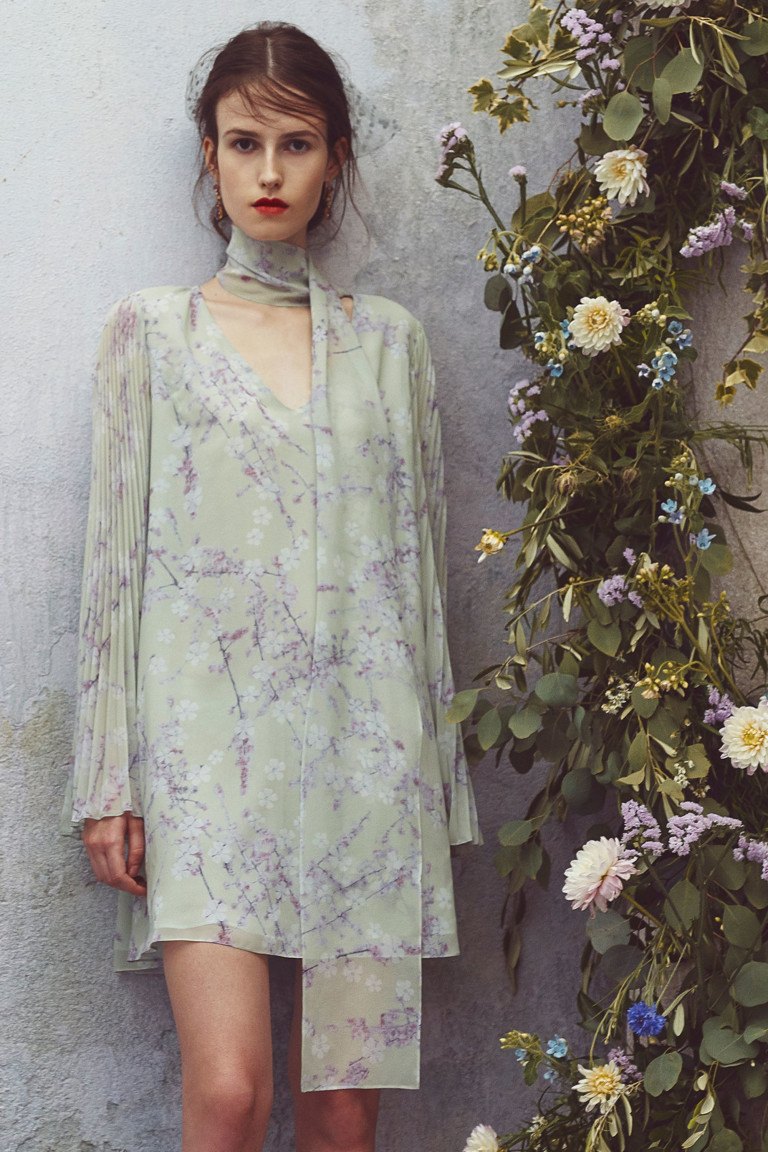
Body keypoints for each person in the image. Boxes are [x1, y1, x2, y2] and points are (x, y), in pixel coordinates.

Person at [60, 20, 481, 1152]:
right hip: (205, 770)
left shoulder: (390, 345)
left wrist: (436, 791)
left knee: (343, 1120)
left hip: (370, 767)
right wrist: (108, 779)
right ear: (209, 154)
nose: (269, 172)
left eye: (296, 144)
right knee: (232, 1092)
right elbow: (115, 567)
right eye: (244, 143)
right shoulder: (152, 335)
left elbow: (420, 580)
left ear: (335, 156)